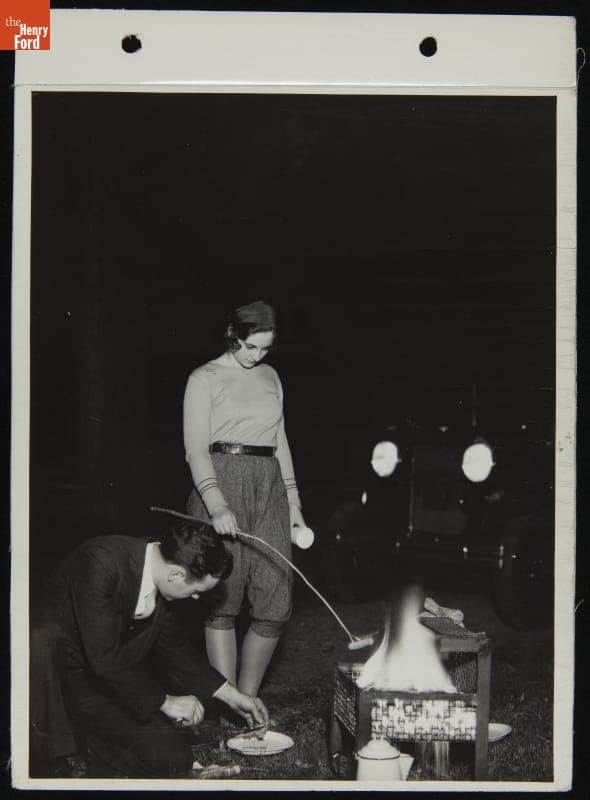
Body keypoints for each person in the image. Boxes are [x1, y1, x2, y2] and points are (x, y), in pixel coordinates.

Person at [29, 520, 269, 778]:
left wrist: (232, 696)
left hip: (105, 683)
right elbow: (104, 657)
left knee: (172, 758)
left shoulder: (160, 569)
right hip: (54, 679)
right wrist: (165, 702)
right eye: (197, 591)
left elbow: (174, 647)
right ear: (175, 575)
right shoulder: (100, 561)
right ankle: (51, 757)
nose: (196, 597)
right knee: (40, 640)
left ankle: (94, 744)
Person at [183, 300, 306, 696]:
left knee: (276, 597)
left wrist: (294, 504)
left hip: (269, 484)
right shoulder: (204, 377)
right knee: (224, 596)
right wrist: (216, 503)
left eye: (265, 348)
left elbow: (280, 442)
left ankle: (249, 701)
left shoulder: (271, 376)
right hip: (221, 479)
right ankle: (230, 702)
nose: (257, 356)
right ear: (232, 334)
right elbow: (196, 450)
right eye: (250, 346)